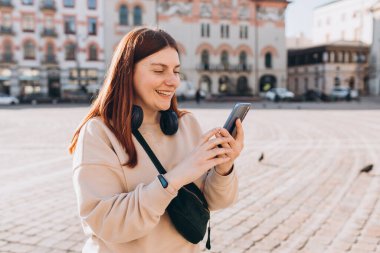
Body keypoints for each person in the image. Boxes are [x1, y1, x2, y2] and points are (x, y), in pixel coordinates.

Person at [69, 27, 244, 253]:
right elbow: (106, 224)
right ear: (127, 72)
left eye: (176, 71)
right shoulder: (99, 133)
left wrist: (223, 167)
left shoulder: (186, 125)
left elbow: (216, 202)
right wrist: (175, 178)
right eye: (159, 70)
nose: (173, 81)